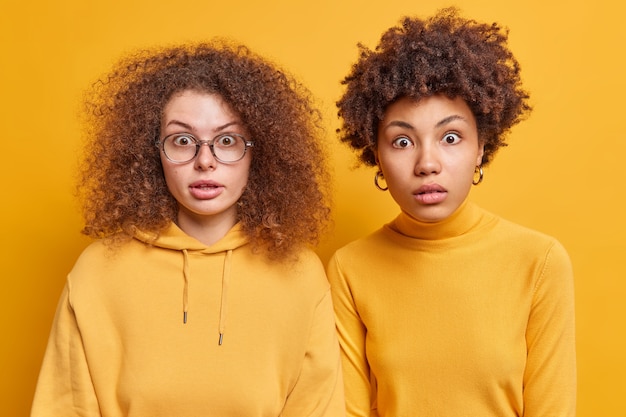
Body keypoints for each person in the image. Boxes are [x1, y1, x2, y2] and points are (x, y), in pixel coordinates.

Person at [31, 40, 345, 417]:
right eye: (182, 141)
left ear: (258, 152)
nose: (205, 161)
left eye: (226, 141)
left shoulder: (301, 273)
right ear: (152, 153)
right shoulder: (98, 271)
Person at [327, 8, 576, 417]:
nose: (427, 163)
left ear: (481, 147)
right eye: (402, 142)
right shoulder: (349, 269)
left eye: (450, 137)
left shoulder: (540, 262)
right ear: (376, 155)